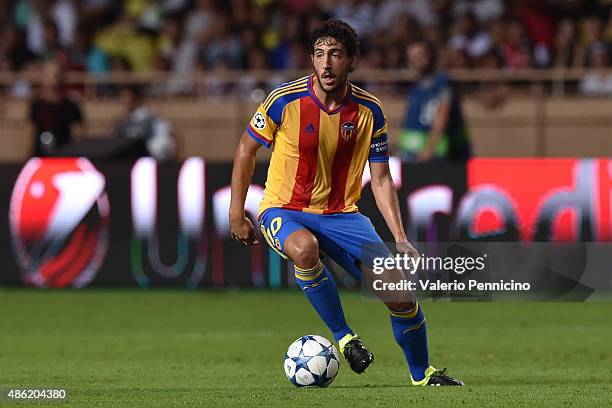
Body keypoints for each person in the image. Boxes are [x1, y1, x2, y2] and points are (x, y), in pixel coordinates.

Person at [229, 19, 463, 386]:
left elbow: (382, 178)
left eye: (335, 54)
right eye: (319, 54)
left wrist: (399, 237)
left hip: (342, 215)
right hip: (282, 208)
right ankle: (344, 337)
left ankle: (424, 374)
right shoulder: (283, 100)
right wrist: (235, 213)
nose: (326, 63)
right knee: (304, 249)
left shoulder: (370, 111)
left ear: (352, 60)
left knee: (399, 296)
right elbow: (246, 149)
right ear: (311, 59)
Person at [400, 41, 471, 162]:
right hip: (412, 155)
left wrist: (429, 149)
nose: (416, 60)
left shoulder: (443, 83)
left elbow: (442, 114)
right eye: (411, 57)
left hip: (441, 157)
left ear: (430, 56)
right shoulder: (415, 87)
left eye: (420, 55)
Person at [28, 61, 84, 156]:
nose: (53, 76)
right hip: (40, 156)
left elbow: (78, 135)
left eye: (57, 73)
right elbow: (30, 135)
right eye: (49, 73)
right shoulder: (36, 105)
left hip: (64, 157)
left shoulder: (71, 106)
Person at [110, 84, 175, 160]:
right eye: (121, 97)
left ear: (136, 98)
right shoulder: (121, 122)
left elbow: (163, 146)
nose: (123, 101)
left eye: (126, 97)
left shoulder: (152, 120)